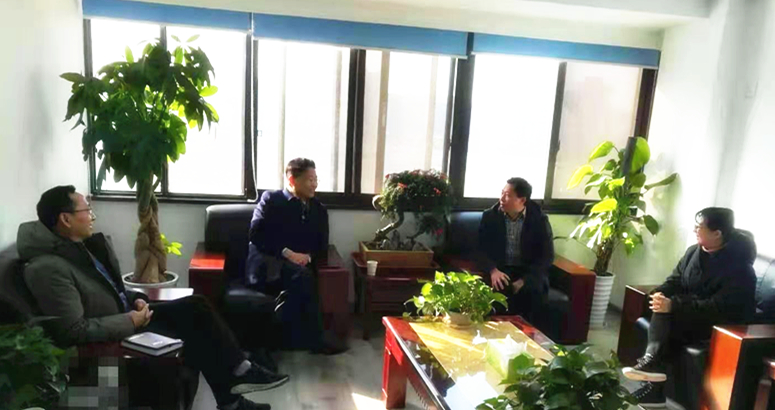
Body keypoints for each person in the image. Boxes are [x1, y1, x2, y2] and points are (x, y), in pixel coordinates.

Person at [19, 185, 289, 410]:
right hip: (116, 330)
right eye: (86, 210)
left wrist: (136, 297)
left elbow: (107, 289)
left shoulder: (78, 248)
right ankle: (236, 390)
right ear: (66, 219)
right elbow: (72, 330)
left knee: (196, 306)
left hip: (127, 314)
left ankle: (239, 375)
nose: (92, 215)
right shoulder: (48, 268)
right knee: (196, 329)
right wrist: (131, 320)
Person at [622, 208, 757, 408]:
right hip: (691, 312)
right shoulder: (693, 251)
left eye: (699, 226)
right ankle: (652, 376)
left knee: (667, 314)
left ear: (717, 233)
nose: (694, 229)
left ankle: (651, 370)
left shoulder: (740, 268)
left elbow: (718, 307)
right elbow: (676, 280)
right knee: (662, 308)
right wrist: (660, 293)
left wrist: (674, 305)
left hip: (720, 324)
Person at [245, 158, 344, 354]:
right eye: (309, 180)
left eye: (316, 179)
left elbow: (321, 244)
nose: (314, 184)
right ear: (292, 180)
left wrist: (308, 257)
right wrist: (287, 253)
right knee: (302, 277)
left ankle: (271, 342)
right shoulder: (271, 200)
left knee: (303, 276)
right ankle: (315, 340)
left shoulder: (318, 209)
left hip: (299, 266)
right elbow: (255, 234)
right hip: (269, 263)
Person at [477, 177, 554, 323]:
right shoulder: (490, 216)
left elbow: (547, 256)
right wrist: (493, 270)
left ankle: (529, 332)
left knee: (534, 289)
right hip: (501, 269)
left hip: (528, 271)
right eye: (502, 193)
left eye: (507, 195)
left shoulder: (539, 220)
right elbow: (480, 249)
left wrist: (524, 280)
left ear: (522, 200)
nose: (502, 199)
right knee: (499, 287)